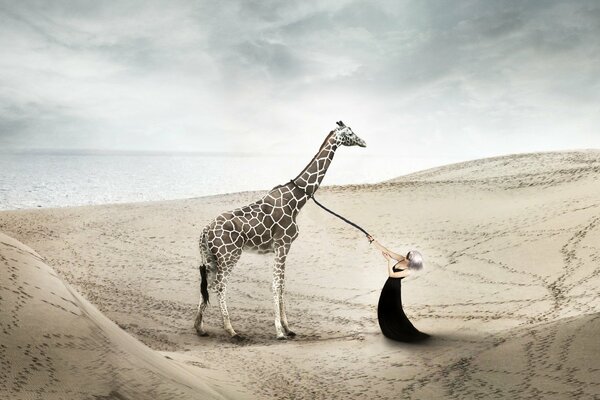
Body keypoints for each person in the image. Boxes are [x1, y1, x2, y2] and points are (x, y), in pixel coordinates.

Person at [367, 235, 429, 342]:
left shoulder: (408, 270)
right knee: (383, 307)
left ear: (411, 261)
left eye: (408, 257)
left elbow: (391, 274)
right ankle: (388, 329)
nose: (406, 256)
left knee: (394, 309)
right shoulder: (401, 259)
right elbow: (387, 250)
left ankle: (397, 330)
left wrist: (388, 261)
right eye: (407, 254)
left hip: (394, 289)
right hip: (388, 286)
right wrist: (373, 241)